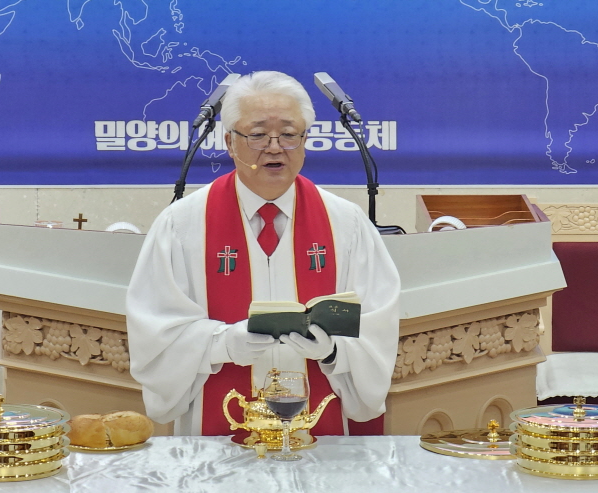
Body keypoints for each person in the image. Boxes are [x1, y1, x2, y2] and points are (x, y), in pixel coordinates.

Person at [125, 71, 400, 436]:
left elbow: (377, 327)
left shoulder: (346, 224)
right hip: (217, 441)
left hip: (319, 440)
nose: (275, 147)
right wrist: (223, 344)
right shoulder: (182, 225)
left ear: (305, 140)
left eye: (289, 134)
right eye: (257, 135)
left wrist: (333, 350)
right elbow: (154, 333)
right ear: (229, 142)